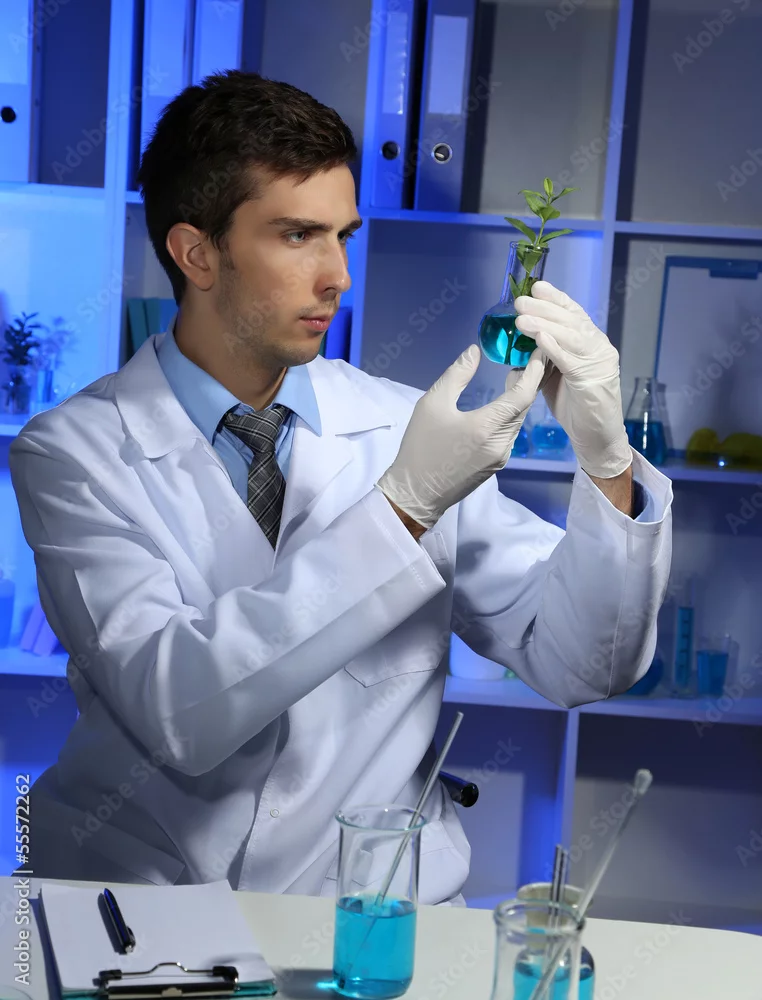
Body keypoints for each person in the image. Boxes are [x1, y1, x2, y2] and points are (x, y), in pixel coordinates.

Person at [9, 71, 672, 905]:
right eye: (298, 236)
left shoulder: (405, 428)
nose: (338, 276)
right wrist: (403, 509)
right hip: (141, 909)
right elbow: (179, 711)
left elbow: (582, 665)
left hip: (372, 906)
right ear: (196, 252)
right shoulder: (72, 453)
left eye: (343, 236)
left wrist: (607, 462)